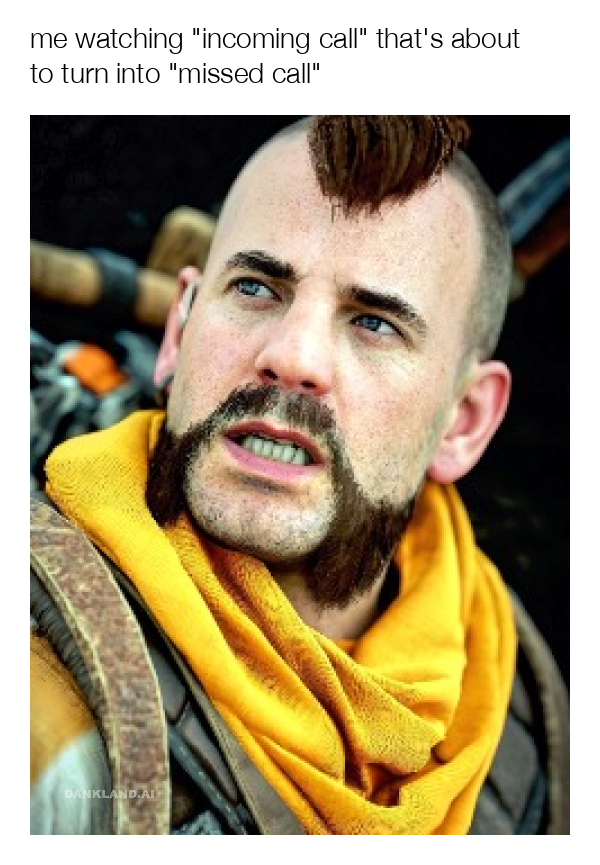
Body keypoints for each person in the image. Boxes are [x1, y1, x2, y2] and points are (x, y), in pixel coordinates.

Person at [30, 115, 569, 835]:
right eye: (256, 287)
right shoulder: (36, 720)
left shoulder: (522, 700)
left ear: (464, 420)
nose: (293, 358)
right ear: (179, 333)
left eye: (374, 323)